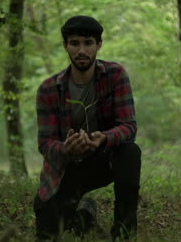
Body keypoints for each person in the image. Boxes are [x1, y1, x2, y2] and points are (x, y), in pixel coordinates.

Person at [34, 15, 141, 241]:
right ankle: (85, 213)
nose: (81, 50)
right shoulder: (48, 89)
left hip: (103, 159)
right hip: (66, 168)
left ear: (98, 45)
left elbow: (128, 126)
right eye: (74, 43)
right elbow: (45, 143)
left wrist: (104, 138)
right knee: (48, 230)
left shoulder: (115, 76)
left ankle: (123, 231)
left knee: (130, 152)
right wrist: (66, 148)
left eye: (88, 43)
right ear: (65, 46)